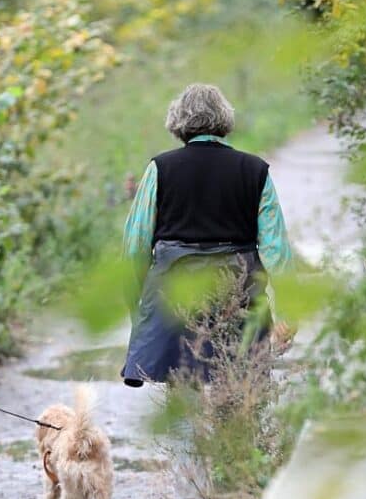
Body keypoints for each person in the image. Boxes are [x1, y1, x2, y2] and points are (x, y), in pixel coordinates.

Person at [120, 83, 292, 387]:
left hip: (174, 292)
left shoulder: (160, 168)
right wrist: (289, 315)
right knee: (238, 391)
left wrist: (141, 312)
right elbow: (276, 252)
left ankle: (189, 432)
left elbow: (135, 247)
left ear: (178, 122)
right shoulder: (255, 171)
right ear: (224, 119)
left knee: (183, 392)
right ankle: (233, 433)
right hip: (238, 291)